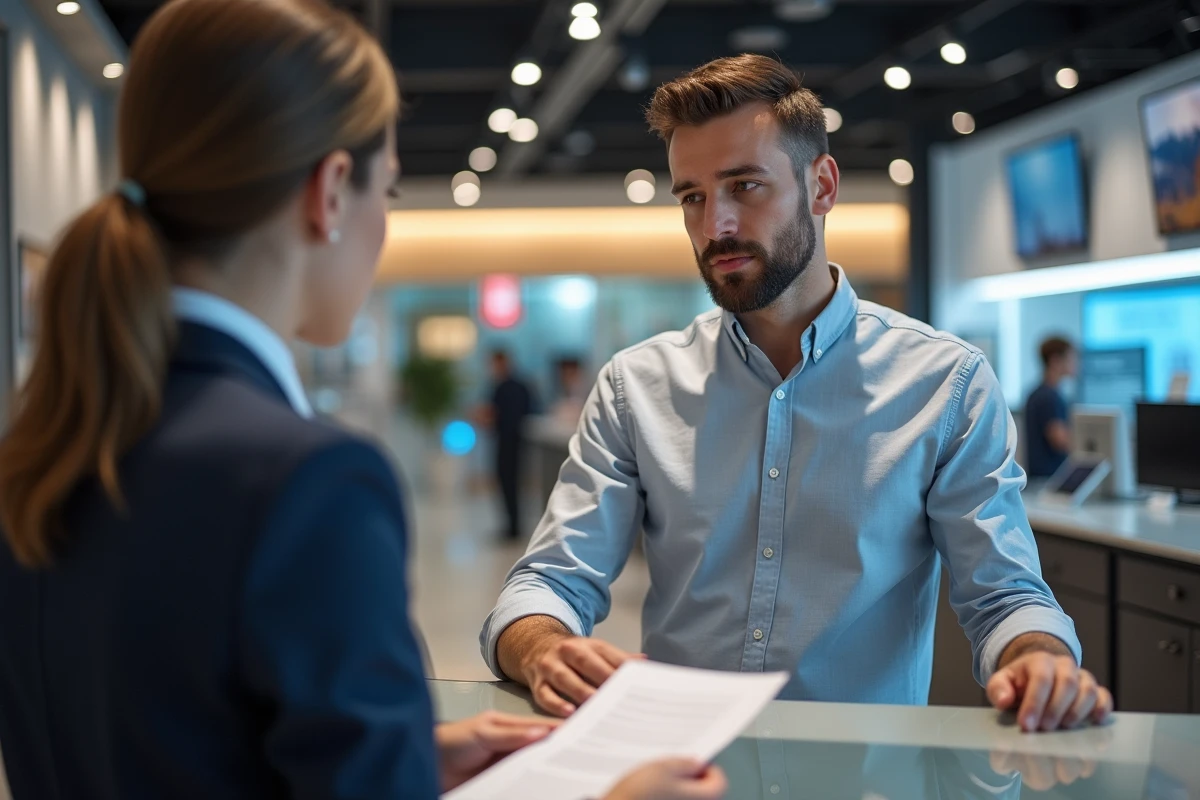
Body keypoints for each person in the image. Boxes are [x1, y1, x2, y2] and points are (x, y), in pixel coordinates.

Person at [0, 1, 724, 798]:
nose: (383, 225)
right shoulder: (304, 482)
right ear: (332, 192)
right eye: (389, 192)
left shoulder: (44, 448)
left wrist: (405, 763)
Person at [481, 55, 1113, 734]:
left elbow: (1006, 596)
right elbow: (547, 582)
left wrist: (1039, 658)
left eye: (745, 186)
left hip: (864, 777)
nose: (714, 224)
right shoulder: (637, 387)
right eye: (691, 196)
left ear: (822, 185)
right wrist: (543, 647)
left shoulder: (944, 384)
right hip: (684, 768)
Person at [483, 350, 535, 540]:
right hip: (517, 442)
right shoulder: (520, 386)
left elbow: (495, 415)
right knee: (511, 484)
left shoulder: (504, 387)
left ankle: (513, 526)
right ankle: (513, 525)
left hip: (509, 442)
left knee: (509, 484)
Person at [1024, 337, 1077, 478]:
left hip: (1039, 476)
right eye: (1071, 358)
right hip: (1048, 478)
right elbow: (1059, 440)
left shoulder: (1037, 393)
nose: (1075, 364)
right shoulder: (1049, 397)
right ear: (1055, 360)